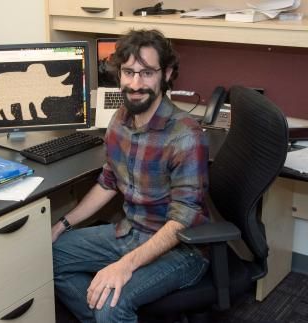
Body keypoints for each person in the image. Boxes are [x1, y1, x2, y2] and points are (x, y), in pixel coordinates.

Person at [51, 29, 210, 323]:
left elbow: (182, 220)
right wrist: (62, 224)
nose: (136, 84)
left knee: (112, 304)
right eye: (129, 72)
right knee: (50, 255)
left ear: (167, 73)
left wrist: (125, 265)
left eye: (147, 73)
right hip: (129, 232)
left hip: (180, 249)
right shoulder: (121, 118)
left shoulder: (185, 136)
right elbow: (109, 181)